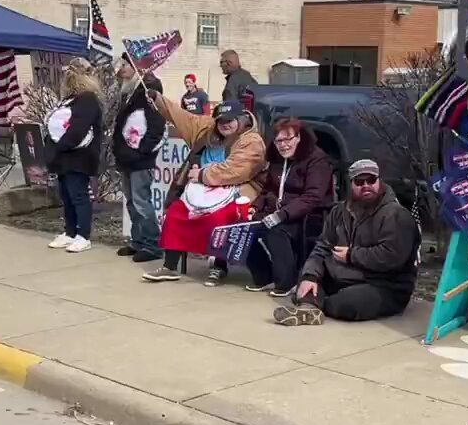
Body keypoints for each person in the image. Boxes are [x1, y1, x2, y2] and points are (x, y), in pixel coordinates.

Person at [275, 159, 418, 326]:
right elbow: (322, 247)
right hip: (343, 277)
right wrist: (310, 276)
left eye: (371, 180)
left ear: (379, 181)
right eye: (359, 182)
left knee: (347, 303)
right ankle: (308, 307)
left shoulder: (397, 215)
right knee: (307, 280)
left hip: (385, 284)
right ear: (351, 184)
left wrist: (351, 255)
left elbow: (391, 256)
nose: (366, 186)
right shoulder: (339, 211)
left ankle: (315, 305)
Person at [141, 96, 266, 286]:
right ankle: (169, 266)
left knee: (220, 219)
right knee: (176, 212)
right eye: (221, 121)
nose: (225, 125)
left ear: (241, 119)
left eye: (229, 120)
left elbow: (237, 171)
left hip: (237, 191)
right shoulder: (206, 130)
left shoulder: (251, 140)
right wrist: (157, 99)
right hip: (200, 191)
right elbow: (182, 117)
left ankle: (219, 266)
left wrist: (201, 174)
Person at [245, 117, 333, 297]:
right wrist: (255, 207)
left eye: (288, 139)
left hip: (308, 215)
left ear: (299, 137)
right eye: (279, 141)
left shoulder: (316, 159)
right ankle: (264, 276)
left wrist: (283, 214)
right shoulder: (277, 160)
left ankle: (286, 282)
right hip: (277, 210)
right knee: (244, 229)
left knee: (276, 230)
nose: (283, 145)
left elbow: (313, 197)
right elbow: (267, 189)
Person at [45, 57, 103, 254]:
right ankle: (70, 232)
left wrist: (61, 145)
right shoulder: (69, 100)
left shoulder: (88, 99)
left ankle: (83, 235)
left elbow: (78, 129)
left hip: (79, 156)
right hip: (64, 156)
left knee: (78, 195)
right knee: (66, 196)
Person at [113, 55, 166, 263]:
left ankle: (152, 245)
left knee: (141, 201)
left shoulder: (148, 90)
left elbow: (156, 126)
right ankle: (138, 241)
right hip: (126, 156)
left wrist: (142, 150)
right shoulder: (127, 91)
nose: (121, 68)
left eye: (125, 65)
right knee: (131, 202)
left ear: (137, 67)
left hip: (140, 158)